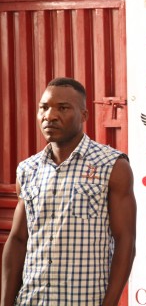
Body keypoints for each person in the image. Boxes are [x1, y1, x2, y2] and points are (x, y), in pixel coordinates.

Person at [1, 77, 136, 305]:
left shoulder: (112, 166)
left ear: (84, 116)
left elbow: (125, 241)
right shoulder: (27, 170)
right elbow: (17, 239)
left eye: (62, 108)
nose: (50, 116)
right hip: (32, 300)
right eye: (44, 108)